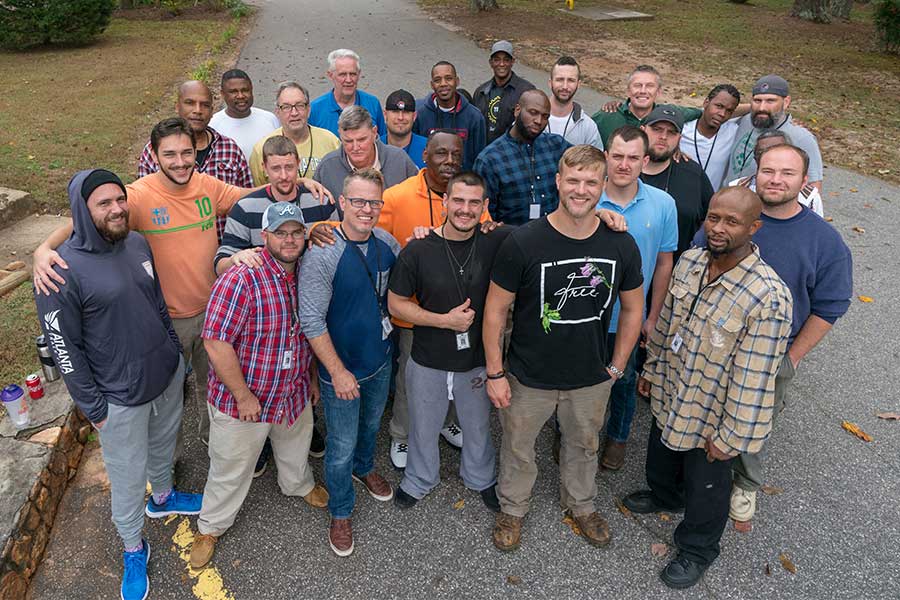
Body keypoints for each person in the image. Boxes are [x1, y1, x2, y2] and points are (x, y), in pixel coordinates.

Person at [33, 169, 202, 600]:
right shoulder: (60, 270)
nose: (116, 209)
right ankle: (133, 545)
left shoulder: (137, 243)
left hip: (164, 376)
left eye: (119, 199)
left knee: (165, 446)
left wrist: (174, 356)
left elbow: (156, 303)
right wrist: (95, 408)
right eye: (103, 203)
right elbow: (64, 348)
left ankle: (162, 497)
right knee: (127, 478)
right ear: (82, 212)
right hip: (117, 397)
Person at [623, 186, 793, 589]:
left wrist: (731, 438)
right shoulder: (692, 261)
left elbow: (755, 379)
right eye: (714, 217)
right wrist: (651, 369)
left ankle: (698, 549)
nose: (718, 228)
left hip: (713, 414)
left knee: (707, 487)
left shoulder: (768, 296)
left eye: (731, 222)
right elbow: (666, 324)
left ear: (754, 227)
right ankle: (665, 496)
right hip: (673, 387)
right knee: (661, 457)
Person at [484, 145, 645, 552]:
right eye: (573, 180)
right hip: (528, 375)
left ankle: (581, 503)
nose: (581, 189)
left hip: (590, 376)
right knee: (519, 448)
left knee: (583, 445)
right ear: (558, 182)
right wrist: (495, 372)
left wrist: (617, 366)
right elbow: (495, 311)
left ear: (604, 186)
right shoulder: (523, 242)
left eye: (591, 181)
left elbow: (633, 308)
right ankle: (514, 508)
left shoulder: (621, 245)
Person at [695, 144, 852, 526]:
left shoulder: (825, 242)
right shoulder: (729, 218)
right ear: (756, 173)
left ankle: (745, 484)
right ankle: (697, 480)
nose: (776, 180)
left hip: (771, 354)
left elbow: (830, 307)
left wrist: (792, 358)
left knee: (752, 424)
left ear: (803, 181)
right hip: (713, 341)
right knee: (704, 413)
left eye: (787, 173)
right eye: (768, 171)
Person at [189, 202, 329, 570]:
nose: (289, 240)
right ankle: (211, 525)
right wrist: (243, 395)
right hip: (244, 400)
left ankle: (298, 485)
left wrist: (311, 378)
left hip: (292, 390)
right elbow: (215, 342)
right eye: (280, 233)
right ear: (263, 236)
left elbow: (307, 332)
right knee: (231, 466)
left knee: (296, 447)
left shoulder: (307, 272)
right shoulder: (240, 278)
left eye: (296, 232)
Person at [298, 169, 400, 557]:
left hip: (380, 359)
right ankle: (340, 510)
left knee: (371, 425)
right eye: (358, 201)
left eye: (374, 202)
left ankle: (364, 466)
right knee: (339, 444)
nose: (366, 209)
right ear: (342, 202)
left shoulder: (387, 243)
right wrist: (337, 372)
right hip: (340, 370)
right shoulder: (323, 251)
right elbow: (311, 320)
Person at [388, 171, 504, 511]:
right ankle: (419, 479)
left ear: (484, 207)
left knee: (478, 425)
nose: (465, 210)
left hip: (476, 360)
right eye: (458, 201)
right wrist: (444, 321)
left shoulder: (495, 241)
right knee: (423, 425)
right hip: (427, 357)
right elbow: (396, 303)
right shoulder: (418, 249)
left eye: (473, 203)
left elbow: (549, 230)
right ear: (444, 203)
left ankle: (481, 478)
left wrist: (601, 212)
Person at [596, 125, 678, 471]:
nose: (624, 165)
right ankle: (566, 432)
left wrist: (654, 315)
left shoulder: (663, 204)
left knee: (625, 380)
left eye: (632, 158)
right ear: (606, 157)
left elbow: (664, 263)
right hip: (585, 314)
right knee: (575, 379)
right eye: (617, 156)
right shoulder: (586, 197)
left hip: (628, 317)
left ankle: (617, 437)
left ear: (645, 161)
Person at [138, 81, 253, 240]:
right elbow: (145, 206)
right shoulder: (155, 152)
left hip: (226, 251)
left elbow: (246, 202)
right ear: (177, 106)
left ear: (212, 111)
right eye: (190, 103)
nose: (197, 111)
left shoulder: (230, 150)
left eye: (205, 105)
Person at [217, 135, 338, 276]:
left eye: (289, 167)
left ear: (298, 163)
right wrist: (234, 259)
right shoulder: (245, 209)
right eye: (276, 168)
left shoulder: (321, 202)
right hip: (266, 291)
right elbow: (220, 266)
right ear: (264, 168)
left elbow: (341, 249)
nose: (284, 176)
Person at [473, 89, 570, 225]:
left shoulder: (557, 145)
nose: (538, 121)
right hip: (511, 240)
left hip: (554, 235)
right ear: (517, 110)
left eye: (545, 116)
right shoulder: (490, 159)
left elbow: (589, 163)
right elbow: (484, 215)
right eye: (533, 113)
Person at [725, 75, 824, 193]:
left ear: (786, 102)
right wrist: (753, 108)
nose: (762, 107)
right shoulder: (746, 120)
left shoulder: (801, 138)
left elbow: (813, 186)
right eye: (757, 100)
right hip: (728, 201)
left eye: (770, 101)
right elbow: (715, 110)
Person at [640, 105, 714, 260]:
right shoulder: (624, 170)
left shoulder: (693, 174)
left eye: (671, 132)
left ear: (679, 138)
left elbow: (712, 215)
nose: (663, 136)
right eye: (657, 129)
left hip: (677, 269)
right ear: (642, 130)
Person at [314, 105, 418, 204]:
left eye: (361, 139)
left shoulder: (399, 160)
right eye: (348, 141)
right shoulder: (327, 167)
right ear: (340, 135)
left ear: (374, 132)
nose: (355, 147)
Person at [249, 81, 341, 184]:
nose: (294, 113)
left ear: (309, 110)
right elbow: (258, 192)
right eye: (286, 107)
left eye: (300, 105)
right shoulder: (261, 149)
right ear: (277, 112)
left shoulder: (331, 142)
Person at [591, 65, 702, 149]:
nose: (643, 91)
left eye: (649, 86)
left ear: (658, 92)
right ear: (628, 91)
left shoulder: (668, 115)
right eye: (637, 85)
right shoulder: (606, 116)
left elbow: (701, 113)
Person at [726, 129, 824, 217]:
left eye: (778, 149)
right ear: (755, 158)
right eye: (761, 152)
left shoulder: (810, 197)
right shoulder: (737, 187)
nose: (771, 155)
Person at [413, 61, 486, 170]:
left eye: (448, 78)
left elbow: (479, 158)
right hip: (430, 182)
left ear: (457, 81)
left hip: (462, 183)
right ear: (432, 85)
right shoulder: (421, 115)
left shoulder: (474, 117)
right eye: (437, 80)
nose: (443, 84)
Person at [308, 49, 387, 137]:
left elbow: (383, 142)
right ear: (330, 75)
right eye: (342, 74)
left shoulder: (373, 104)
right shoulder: (315, 109)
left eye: (353, 74)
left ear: (359, 74)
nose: (349, 80)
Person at [472, 40, 536, 145]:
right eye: (497, 60)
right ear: (491, 63)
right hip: (484, 152)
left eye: (506, 60)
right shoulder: (481, 92)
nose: (501, 64)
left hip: (513, 153)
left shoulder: (526, 91)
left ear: (512, 62)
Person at [679, 84, 742, 191]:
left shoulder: (734, 132)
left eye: (729, 111)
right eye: (719, 106)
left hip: (712, 202)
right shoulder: (682, 129)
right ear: (706, 102)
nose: (722, 114)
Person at [208, 69, 280, 161]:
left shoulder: (270, 119)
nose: (241, 96)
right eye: (233, 92)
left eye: (245, 90)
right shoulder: (213, 126)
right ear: (223, 94)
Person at [546, 56, 603, 149]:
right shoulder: (532, 117)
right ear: (550, 82)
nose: (565, 86)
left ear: (578, 84)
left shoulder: (588, 127)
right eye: (560, 79)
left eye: (571, 80)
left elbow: (597, 162)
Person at [381, 89, 428, 168]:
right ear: (385, 115)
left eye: (406, 112)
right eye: (395, 111)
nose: (400, 117)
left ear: (414, 116)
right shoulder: (374, 148)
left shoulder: (429, 148)